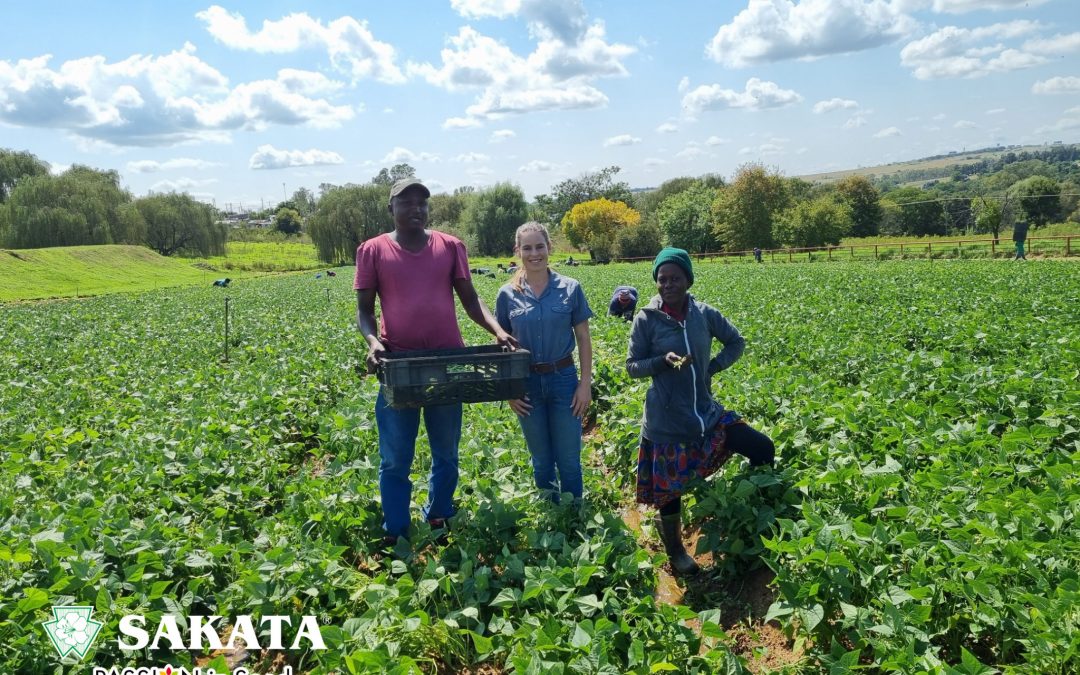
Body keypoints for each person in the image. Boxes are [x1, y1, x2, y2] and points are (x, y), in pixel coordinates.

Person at [356, 178, 514, 542]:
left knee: (446, 451)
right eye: (406, 202)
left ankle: (440, 514)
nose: (416, 208)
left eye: (422, 202)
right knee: (395, 457)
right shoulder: (373, 251)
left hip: (447, 364)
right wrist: (371, 341)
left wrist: (496, 330)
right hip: (399, 366)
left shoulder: (450, 246)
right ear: (391, 208)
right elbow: (364, 311)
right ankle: (396, 530)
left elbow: (471, 301)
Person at [627, 247, 775, 575]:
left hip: (706, 413)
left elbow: (736, 341)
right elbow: (632, 367)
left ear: (687, 280)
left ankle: (759, 513)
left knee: (762, 447)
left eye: (675, 278)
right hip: (667, 421)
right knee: (668, 493)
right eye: (662, 279)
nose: (668, 285)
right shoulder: (646, 319)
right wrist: (661, 362)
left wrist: (711, 367)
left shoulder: (704, 314)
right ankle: (676, 552)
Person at [496, 222, 593, 503]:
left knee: (569, 459)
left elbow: (584, 339)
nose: (534, 253)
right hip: (526, 384)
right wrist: (509, 390)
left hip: (564, 380)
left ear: (549, 248)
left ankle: (574, 517)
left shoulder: (570, 288)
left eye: (540, 246)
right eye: (527, 248)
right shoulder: (507, 294)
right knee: (541, 459)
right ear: (518, 251)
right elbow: (502, 345)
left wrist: (584, 384)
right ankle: (552, 517)